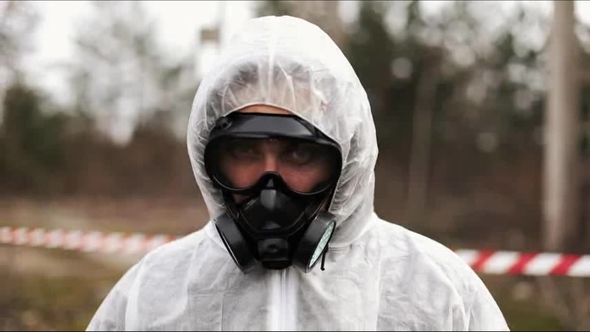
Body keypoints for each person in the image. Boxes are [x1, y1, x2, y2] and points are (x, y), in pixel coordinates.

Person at [86, 15, 509, 331]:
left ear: (348, 162)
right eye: (243, 152)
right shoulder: (152, 292)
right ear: (207, 161)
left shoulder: (438, 292)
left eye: (300, 155)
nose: (270, 187)